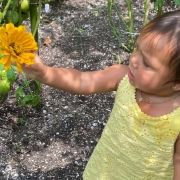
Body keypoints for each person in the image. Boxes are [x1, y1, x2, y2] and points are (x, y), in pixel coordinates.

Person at [23, 10, 180, 179]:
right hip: (103, 172)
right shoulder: (122, 78)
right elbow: (83, 80)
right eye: (137, 48)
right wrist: (44, 74)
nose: (134, 59)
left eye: (147, 63)